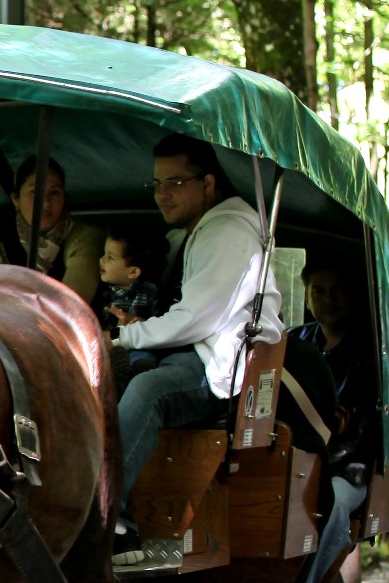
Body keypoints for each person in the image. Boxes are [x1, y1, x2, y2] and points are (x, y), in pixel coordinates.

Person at [110, 133, 282, 559]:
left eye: (176, 183)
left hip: (220, 365)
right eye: (157, 184)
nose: (163, 195)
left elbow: (196, 318)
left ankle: (108, 517)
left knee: (147, 391)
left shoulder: (225, 232)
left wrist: (123, 337)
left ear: (207, 184)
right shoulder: (197, 232)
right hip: (201, 351)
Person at [277, 261, 382, 583]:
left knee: (332, 502)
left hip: (345, 468)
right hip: (293, 459)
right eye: (318, 291)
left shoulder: (370, 353)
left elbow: (362, 428)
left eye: (336, 291)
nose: (327, 300)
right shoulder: (295, 342)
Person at [0, 156, 105, 305]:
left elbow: (74, 299)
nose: (45, 203)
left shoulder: (84, 237)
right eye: (35, 192)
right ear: (16, 199)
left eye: (54, 193)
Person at [94, 220, 168, 333]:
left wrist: (140, 323)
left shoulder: (154, 294)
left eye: (110, 258)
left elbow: (163, 330)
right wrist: (118, 332)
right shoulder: (101, 293)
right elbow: (99, 334)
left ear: (133, 272)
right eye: (104, 254)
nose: (101, 260)